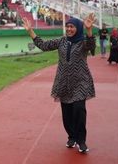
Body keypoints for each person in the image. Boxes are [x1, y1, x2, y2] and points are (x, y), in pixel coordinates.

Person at [22, 13, 96, 153]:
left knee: (79, 112)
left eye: (72, 27)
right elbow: (44, 45)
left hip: (80, 82)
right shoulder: (61, 41)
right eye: (67, 26)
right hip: (63, 82)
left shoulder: (83, 43)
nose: (69, 29)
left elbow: (92, 45)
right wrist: (30, 31)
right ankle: (72, 136)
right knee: (67, 114)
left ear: (78, 28)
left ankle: (81, 141)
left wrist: (89, 30)